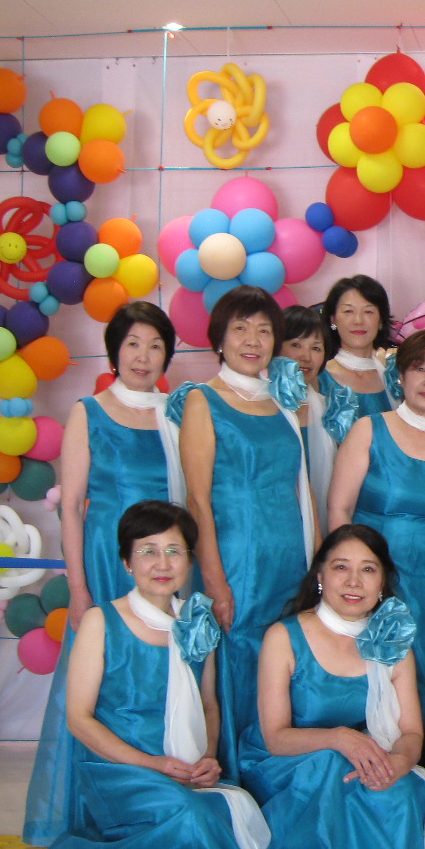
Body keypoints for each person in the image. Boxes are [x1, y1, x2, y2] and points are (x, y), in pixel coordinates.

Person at [27, 501, 275, 849]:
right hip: (122, 771)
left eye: (174, 551)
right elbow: (79, 719)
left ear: (190, 561)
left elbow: (210, 704)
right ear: (126, 562)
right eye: (148, 551)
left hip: (184, 767)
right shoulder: (102, 621)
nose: (162, 563)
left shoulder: (198, 622)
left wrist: (207, 759)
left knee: (231, 813)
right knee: (188, 817)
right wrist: (153, 764)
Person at [238, 525, 425, 849]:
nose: (354, 581)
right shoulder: (284, 636)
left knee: (402, 786)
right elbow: (275, 737)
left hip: (358, 754)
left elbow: (411, 732)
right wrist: (339, 738)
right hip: (285, 762)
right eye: (341, 567)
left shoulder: (393, 642)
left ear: (383, 582)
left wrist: (399, 762)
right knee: (331, 770)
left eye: (368, 569)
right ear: (320, 576)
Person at [24, 303, 179, 846]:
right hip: (108, 560)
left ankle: (157, 790)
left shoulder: (178, 412)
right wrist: (79, 587)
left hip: (165, 563)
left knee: (158, 672)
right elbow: (71, 507)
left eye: (155, 345)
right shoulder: (88, 412)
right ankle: (90, 807)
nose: (143, 356)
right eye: (133, 343)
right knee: (100, 672)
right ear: (115, 351)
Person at [172, 286, 313, 777]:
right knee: (238, 657)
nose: (253, 340)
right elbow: (197, 500)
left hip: (289, 557)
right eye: (241, 329)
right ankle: (235, 771)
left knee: (286, 659)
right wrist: (215, 580)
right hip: (237, 560)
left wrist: (315, 560)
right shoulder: (203, 400)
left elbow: (301, 487)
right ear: (219, 338)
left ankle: (277, 771)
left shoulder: (283, 403)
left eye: (264, 330)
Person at [327, 329, 425, 722]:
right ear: (401, 376)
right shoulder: (369, 429)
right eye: (419, 368)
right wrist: (348, 577)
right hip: (370, 579)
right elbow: (339, 510)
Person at [280, 304, 343, 527]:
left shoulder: (331, 409)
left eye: (316, 348)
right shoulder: (260, 405)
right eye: (296, 344)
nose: (306, 357)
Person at [320, 274, 396, 420]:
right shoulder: (320, 379)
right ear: (333, 319)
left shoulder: (394, 376)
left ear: (381, 320)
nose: (358, 320)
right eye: (348, 311)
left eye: (368, 311)